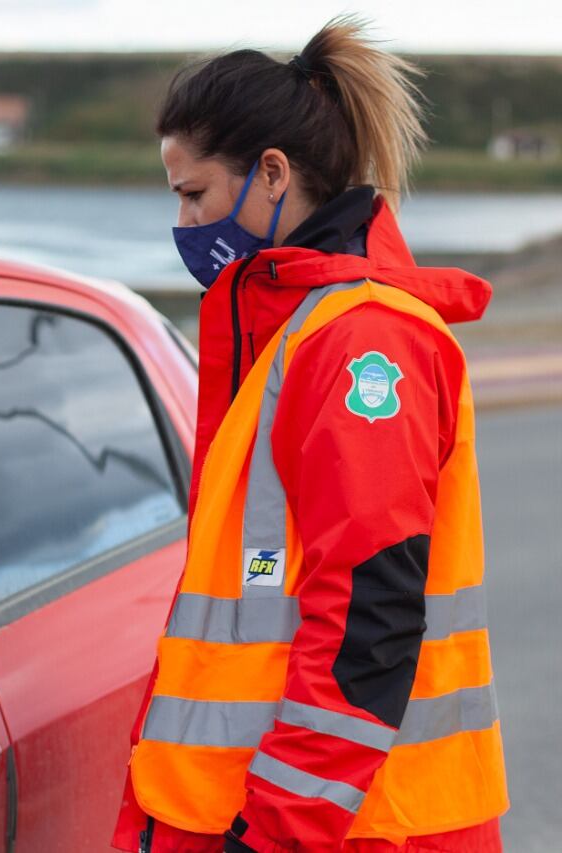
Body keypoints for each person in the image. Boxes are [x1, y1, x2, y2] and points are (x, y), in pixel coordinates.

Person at [114, 16, 508, 853]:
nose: (182, 223)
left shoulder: (363, 343)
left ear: (272, 174)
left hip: (354, 826)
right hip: (282, 809)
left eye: (194, 194)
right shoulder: (298, 330)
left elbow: (371, 617)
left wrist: (276, 834)